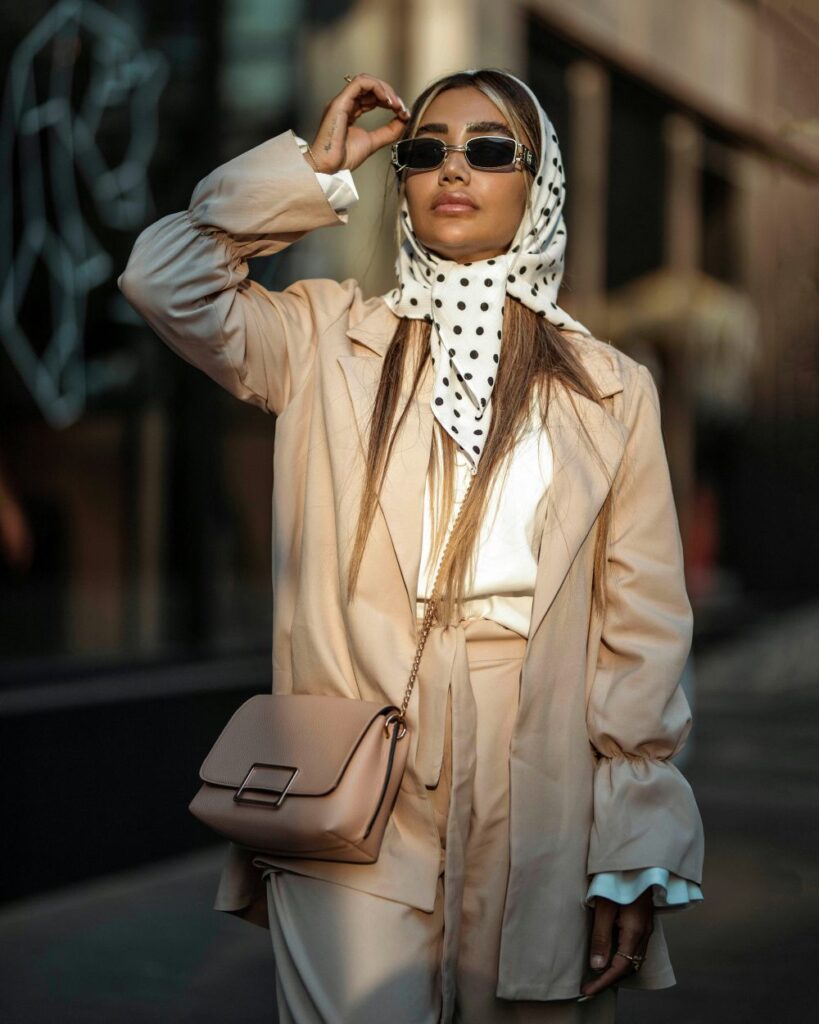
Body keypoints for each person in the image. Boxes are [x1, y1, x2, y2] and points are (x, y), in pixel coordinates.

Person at [119, 67, 704, 1024]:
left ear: (539, 180)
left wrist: (635, 843)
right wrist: (313, 173)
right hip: (355, 757)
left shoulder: (608, 389)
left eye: (489, 150)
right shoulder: (324, 339)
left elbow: (641, 630)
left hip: (540, 769)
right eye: (426, 151)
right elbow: (164, 277)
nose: (452, 169)